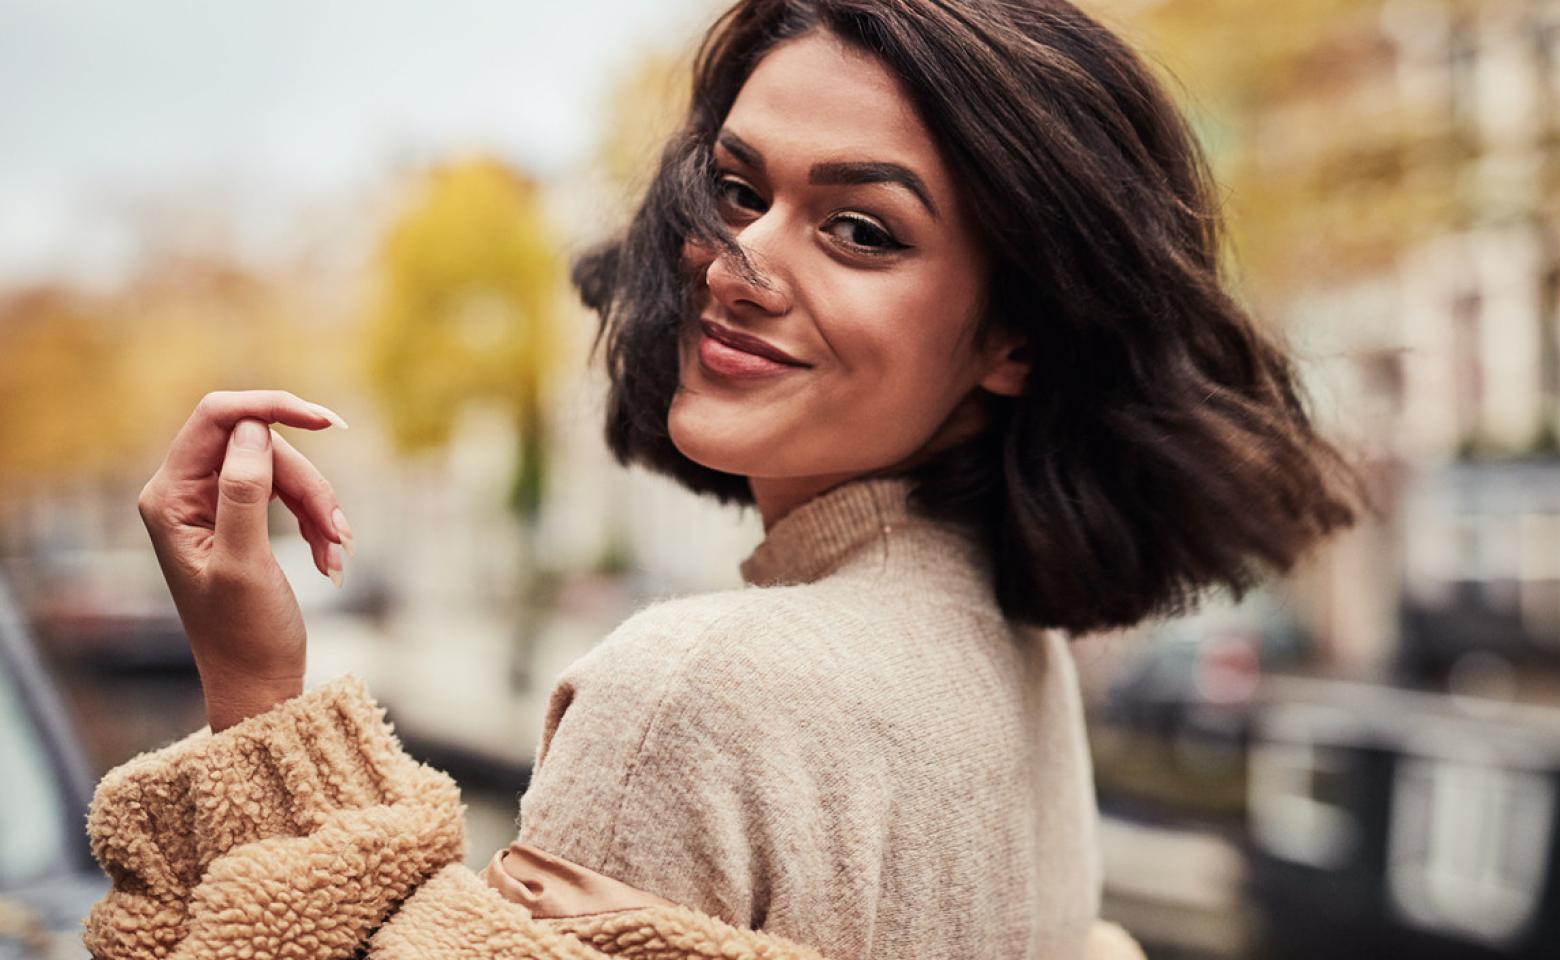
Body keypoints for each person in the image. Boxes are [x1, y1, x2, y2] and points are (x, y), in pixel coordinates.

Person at [84, 0, 1363, 958]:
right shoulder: (1012, 656)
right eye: (737, 189)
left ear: (1015, 338)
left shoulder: (697, 687)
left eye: (860, 229)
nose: (737, 261)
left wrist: (259, 704)